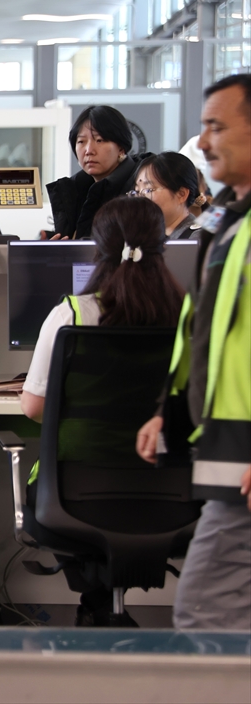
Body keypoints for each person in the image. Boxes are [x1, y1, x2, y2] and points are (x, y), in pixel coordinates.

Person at [19, 196, 185, 626]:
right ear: (163, 247)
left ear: (98, 249)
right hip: (172, 494)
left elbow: (33, 407)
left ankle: (95, 601)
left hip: (75, 495)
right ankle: (103, 605)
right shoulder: (190, 317)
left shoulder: (71, 313)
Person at [137, 73, 251, 632]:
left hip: (243, 451)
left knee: (206, 611)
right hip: (224, 443)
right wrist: (172, 408)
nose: (203, 143)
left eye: (216, 127)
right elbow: (205, 329)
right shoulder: (224, 219)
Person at [46, 106, 145, 240]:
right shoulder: (74, 192)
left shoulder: (140, 188)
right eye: (81, 141)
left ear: (121, 148)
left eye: (99, 140)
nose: (89, 150)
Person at [130, 152, 203, 240]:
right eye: (137, 191)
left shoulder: (197, 239)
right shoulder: (141, 235)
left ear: (181, 194)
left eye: (148, 190)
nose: (139, 198)